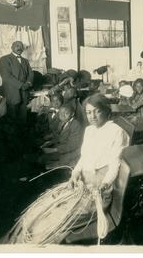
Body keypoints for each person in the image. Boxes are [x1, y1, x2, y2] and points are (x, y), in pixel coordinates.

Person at [8, 94, 130, 245]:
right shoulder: (90, 130)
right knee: (38, 213)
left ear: (106, 110)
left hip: (98, 194)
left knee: (50, 222)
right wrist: (75, 173)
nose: (92, 116)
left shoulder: (116, 131)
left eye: (96, 111)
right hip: (81, 185)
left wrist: (104, 185)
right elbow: (84, 157)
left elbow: (114, 164)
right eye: (88, 112)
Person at [39, 102, 85, 169]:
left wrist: (54, 149)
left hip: (71, 153)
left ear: (72, 114)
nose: (62, 116)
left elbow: (73, 145)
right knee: (41, 159)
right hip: (62, 149)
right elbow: (58, 136)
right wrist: (49, 143)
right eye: (60, 113)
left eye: (66, 113)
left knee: (47, 165)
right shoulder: (62, 122)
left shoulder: (76, 125)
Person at [0, 41, 34, 125]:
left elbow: (31, 73)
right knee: (12, 118)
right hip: (12, 93)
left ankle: (22, 136)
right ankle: (13, 137)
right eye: (17, 46)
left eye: (21, 46)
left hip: (24, 92)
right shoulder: (4, 59)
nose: (19, 48)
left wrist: (29, 83)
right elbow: (6, 76)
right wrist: (21, 85)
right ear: (11, 47)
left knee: (23, 116)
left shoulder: (25, 60)